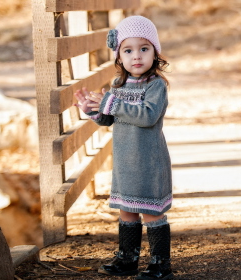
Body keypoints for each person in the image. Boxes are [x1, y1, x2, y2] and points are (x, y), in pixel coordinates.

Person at [74, 15, 173, 280]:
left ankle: (160, 263)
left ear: (155, 52)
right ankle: (128, 258)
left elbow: (147, 116)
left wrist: (111, 103)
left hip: (150, 162)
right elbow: (109, 118)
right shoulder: (118, 86)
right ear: (119, 57)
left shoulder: (156, 86)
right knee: (127, 209)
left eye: (144, 49)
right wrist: (92, 110)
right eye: (128, 50)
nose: (136, 56)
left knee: (151, 211)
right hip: (126, 162)